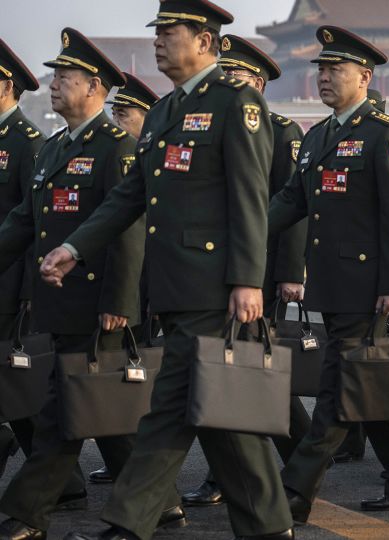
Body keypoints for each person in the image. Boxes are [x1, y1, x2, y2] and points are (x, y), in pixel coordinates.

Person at [40, 2, 297, 538]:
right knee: (223, 419)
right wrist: (75, 247)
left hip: (213, 288)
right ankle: (270, 527)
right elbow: (129, 197)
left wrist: (247, 280)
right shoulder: (162, 112)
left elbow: (250, 197)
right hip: (174, 286)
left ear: (204, 41)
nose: (158, 41)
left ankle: (127, 524)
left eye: (169, 32)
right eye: (156, 32)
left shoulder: (236, 102)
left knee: (168, 412)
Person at [0, 28, 162, 540]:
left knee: (65, 411)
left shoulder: (117, 149)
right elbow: (24, 222)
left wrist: (119, 300)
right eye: (54, 77)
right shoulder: (54, 149)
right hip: (60, 299)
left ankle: (27, 513)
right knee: (101, 408)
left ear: (94, 87)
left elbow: (128, 231)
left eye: (65, 78)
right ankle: (162, 502)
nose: (53, 85)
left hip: (96, 301)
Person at [266, 25, 389, 519]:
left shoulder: (387, 135)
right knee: (366, 382)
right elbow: (291, 201)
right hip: (332, 284)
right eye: (320, 69)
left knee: (337, 388)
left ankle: (295, 488)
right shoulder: (318, 136)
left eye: (334, 69)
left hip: (367, 288)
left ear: (364, 77)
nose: (323, 77)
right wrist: (245, 232)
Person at [177, 33, 313, 509]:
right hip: (221, 268)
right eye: (225, 72)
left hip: (260, 270)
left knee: (240, 367)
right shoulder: (212, 123)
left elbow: (292, 206)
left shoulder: (281, 131)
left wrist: (289, 272)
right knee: (248, 367)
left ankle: (242, 472)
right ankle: (304, 455)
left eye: (236, 74)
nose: (228, 80)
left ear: (258, 82)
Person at [85, 71, 162, 486]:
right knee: (118, 378)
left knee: (131, 375)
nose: (118, 120)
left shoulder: (134, 154)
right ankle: (129, 467)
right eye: (115, 113)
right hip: (127, 279)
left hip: (145, 280)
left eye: (125, 114)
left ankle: (145, 478)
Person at [0, 37, 43, 486]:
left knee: (16, 379)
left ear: (6, 85)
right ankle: (61, 479)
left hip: (11, 281)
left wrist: (30, 290)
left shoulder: (27, 142)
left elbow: (35, 223)